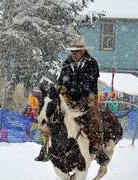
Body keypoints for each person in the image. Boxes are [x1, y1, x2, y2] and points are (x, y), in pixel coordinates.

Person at [36, 36, 108, 164]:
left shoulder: (92, 63)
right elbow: (60, 81)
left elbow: (89, 83)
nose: (74, 54)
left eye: (76, 51)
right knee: (54, 115)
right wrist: (57, 88)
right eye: (72, 52)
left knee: (94, 117)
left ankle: (99, 147)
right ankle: (45, 147)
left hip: (88, 97)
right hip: (68, 98)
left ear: (83, 51)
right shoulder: (67, 63)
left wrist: (72, 90)